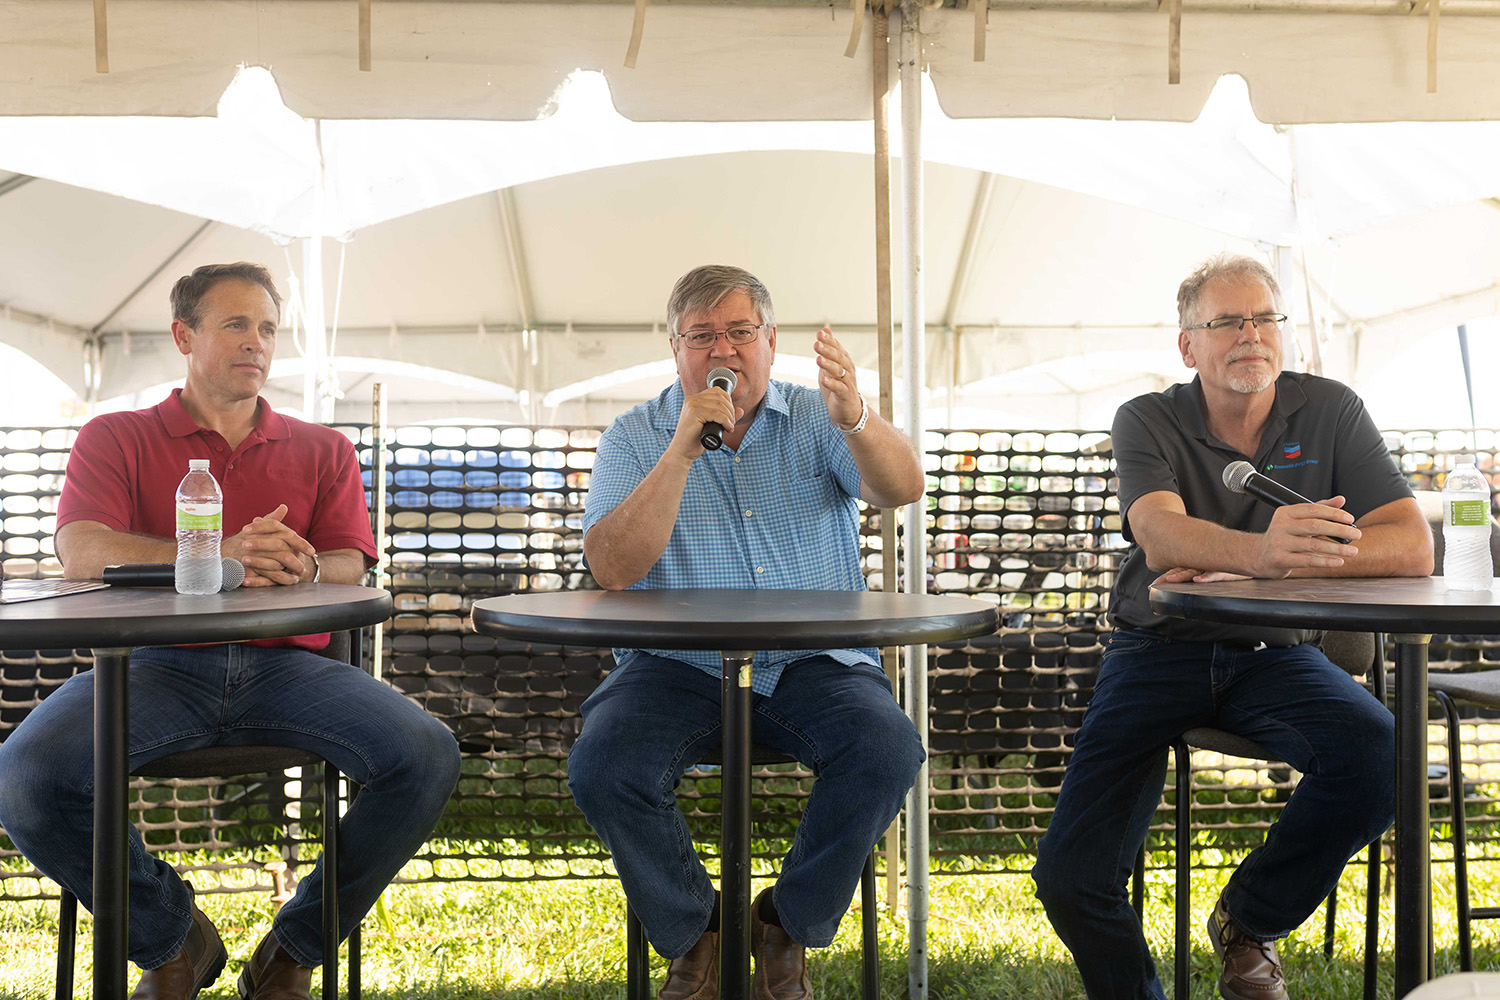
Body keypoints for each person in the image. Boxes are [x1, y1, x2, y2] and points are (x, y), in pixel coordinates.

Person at [0, 262, 461, 1000]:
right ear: (184, 335)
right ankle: (171, 936)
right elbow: (81, 548)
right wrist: (223, 558)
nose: (258, 343)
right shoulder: (116, 436)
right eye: (237, 325)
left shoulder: (323, 448)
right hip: (153, 670)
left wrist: (296, 559)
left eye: (269, 329)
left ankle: (292, 950)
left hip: (292, 671)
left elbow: (350, 561)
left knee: (427, 754)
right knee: (25, 777)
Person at [1031, 253, 1433, 1000]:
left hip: (1275, 657)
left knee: (1382, 752)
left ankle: (1248, 922)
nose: (1251, 335)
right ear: (1189, 346)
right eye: (1227, 321)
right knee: (1067, 876)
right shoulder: (1146, 417)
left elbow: (1410, 545)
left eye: (1264, 318)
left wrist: (1271, 569)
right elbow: (1161, 535)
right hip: (1154, 650)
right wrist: (1266, 551)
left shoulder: (1332, 408)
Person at [569, 264, 925, 1000]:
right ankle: (698, 931)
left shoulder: (821, 417)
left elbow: (902, 488)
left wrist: (856, 413)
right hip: (678, 665)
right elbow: (611, 568)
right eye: (702, 336)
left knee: (886, 748)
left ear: (771, 341)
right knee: (604, 764)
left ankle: (783, 925)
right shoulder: (636, 435)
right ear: (675, 349)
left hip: (813, 662)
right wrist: (682, 451)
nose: (722, 352)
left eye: (739, 333)